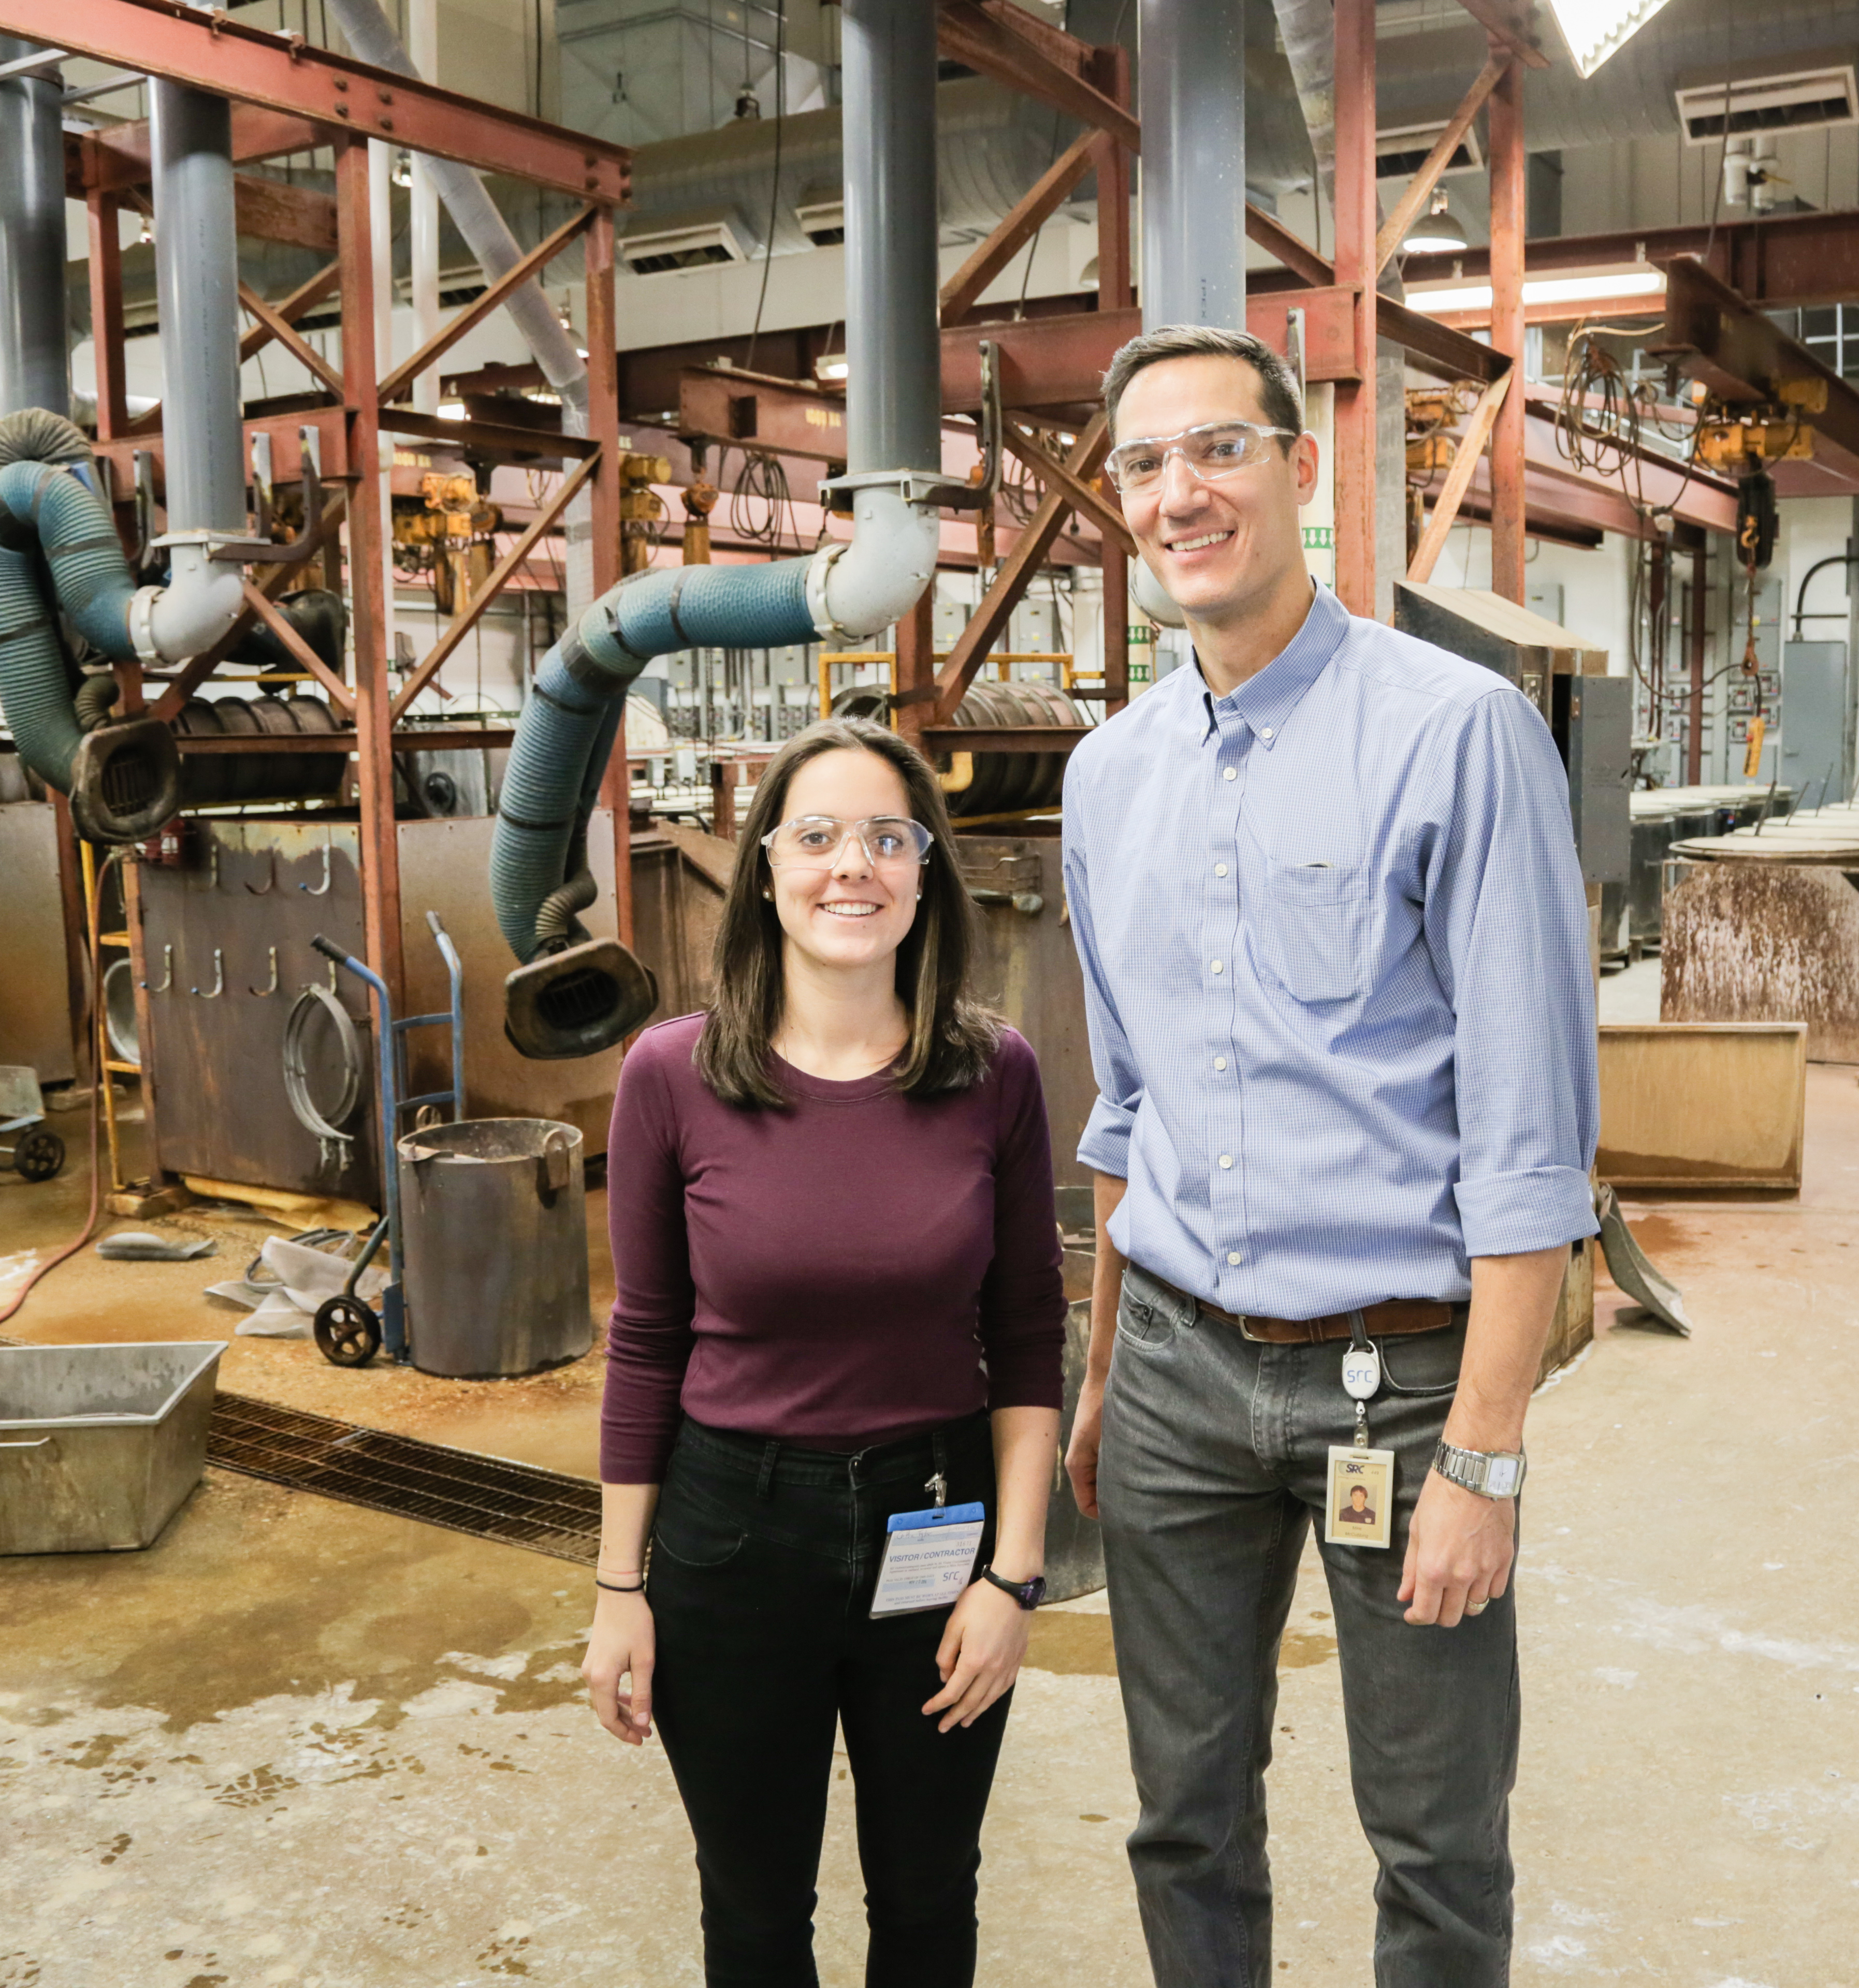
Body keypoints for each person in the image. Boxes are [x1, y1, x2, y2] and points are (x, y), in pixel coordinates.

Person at [1059, 324, 1600, 1988]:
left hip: (1404, 1383)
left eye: (1217, 448)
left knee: (1437, 1845)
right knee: (1184, 1817)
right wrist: (1101, 1377)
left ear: (1303, 467)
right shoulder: (1106, 777)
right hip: (1171, 1376)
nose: (1179, 493)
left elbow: (1531, 1146)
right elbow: (1126, 1110)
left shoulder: (1459, 735)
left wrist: (1488, 1456)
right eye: (1143, 465)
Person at [584, 715, 1071, 1987]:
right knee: (754, 1917)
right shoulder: (671, 1077)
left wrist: (1012, 1582)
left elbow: (1026, 1336)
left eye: (886, 838)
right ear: (764, 870)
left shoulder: (994, 1074)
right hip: (733, 1543)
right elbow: (645, 1344)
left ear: (923, 877)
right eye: (816, 836)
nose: (850, 866)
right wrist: (618, 1591)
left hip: (937, 1524)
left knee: (927, 1902)